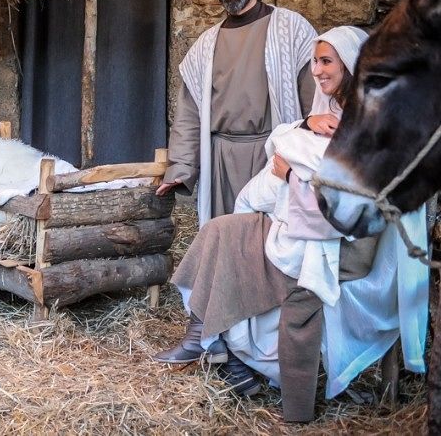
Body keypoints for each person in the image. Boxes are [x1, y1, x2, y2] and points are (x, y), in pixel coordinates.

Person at [152, 26, 428, 422]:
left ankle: (232, 357)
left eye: (326, 61)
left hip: (342, 244)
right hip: (302, 225)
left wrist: (289, 173)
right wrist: (304, 129)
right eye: (315, 61)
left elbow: (345, 198)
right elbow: (291, 146)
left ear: (351, 65)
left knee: (238, 253)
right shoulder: (332, 112)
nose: (316, 70)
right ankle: (203, 336)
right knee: (218, 230)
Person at [157, 0, 318, 226]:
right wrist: (181, 168)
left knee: (270, 239)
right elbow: (189, 115)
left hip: (272, 157)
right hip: (221, 163)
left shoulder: (292, 29)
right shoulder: (205, 46)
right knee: (226, 236)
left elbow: (315, 99)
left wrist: (312, 158)